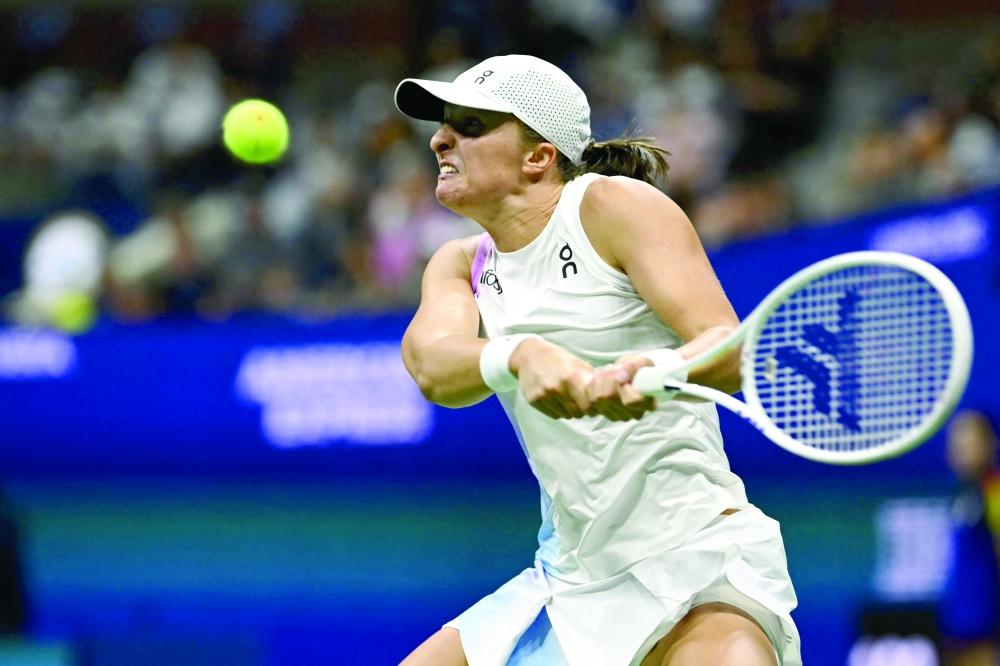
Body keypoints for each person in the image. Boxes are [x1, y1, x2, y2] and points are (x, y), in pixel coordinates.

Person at [396, 55, 800, 666]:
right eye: (444, 125)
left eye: (470, 125)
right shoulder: (460, 263)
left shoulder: (611, 206)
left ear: (538, 157)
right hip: (567, 577)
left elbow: (729, 345)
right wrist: (519, 354)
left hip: (695, 558)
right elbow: (431, 366)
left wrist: (657, 373)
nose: (439, 139)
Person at [940, 409, 1000, 666]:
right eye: (955, 441)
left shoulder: (994, 491)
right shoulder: (961, 492)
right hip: (958, 624)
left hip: (987, 628)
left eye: (968, 442)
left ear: (989, 444)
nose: (959, 449)